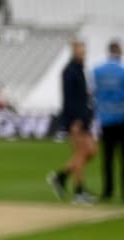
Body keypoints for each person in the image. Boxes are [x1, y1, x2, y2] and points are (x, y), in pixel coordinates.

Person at [51, 38, 99, 203]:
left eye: (84, 50)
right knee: (80, 154)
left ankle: (61, 176)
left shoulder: (80, 69)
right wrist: (75, 121)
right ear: (74, 51)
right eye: (80, 50)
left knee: (91, 151)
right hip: (75, 120)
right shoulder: (69, 71)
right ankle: (78, 191)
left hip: (83, 119)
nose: (83, 53)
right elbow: (69, 99)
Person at [96, 39, 124, 201]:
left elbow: (95, 92)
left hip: (105, 119)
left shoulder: (98, 71)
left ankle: (108, 191)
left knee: (107, 158)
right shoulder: (122, 71)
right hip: (121, 119)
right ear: (119, 52)